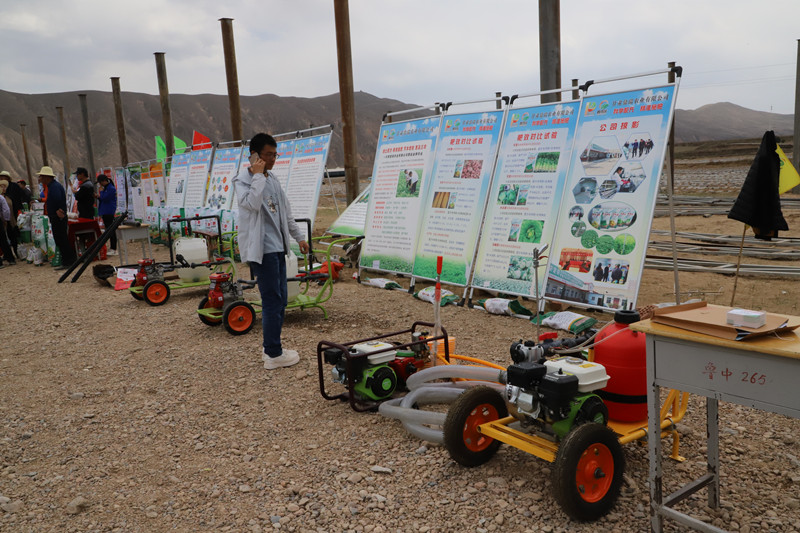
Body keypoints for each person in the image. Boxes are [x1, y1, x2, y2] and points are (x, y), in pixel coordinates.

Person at [233, 133, 309, 370]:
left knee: (281, 299)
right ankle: (273, 354)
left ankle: (272, 347)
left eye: (275, 154)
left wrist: (299, 238)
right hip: (262, 250)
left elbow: (285, 213)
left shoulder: (273, 180)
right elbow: (252, 204)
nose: (273, 159)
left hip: (278, 248)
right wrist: (257, 177)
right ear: (254, 155)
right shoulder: (243, 180)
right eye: (268, 155)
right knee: (272, 300)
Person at [38, 166, 76, 269]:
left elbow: (57, 199)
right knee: (60, 239)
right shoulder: (52, 186)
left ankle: (68, 261)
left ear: (47, 177)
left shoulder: (54, 187)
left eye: (41, 176)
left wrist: (58, 210)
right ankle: (68, 260)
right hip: (56, 216)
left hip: (57, 217)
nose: (40, 179)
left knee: (61, 239)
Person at [96, 174, 118, 255]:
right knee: (108, 229)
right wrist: (98, 196)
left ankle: (113, 248)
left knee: (111, 230)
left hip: (109, 211)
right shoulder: (106, 188)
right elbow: (103, 198)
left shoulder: (110, 188)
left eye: (100, 182)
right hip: (105, 211)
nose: (100, 185)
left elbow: (105, 198)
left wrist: (101, 192)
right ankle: (112, 248)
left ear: (103, 181)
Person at [0, 183, 15, 267]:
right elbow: (6, 210)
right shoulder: (1, 198)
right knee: (3, 240)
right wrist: (5, 219)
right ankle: (11, 259)